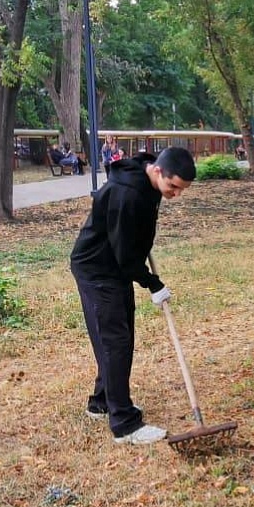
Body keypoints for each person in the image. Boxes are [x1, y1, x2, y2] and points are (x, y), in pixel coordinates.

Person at [70, 147, 197, 445]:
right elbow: (125, 255)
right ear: (156, 172)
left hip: (115, 267)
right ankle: (124, 424)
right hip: (99, 269)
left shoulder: (147, 176)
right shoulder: (127, 195)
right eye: (173, 187)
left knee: (117, 337)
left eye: (182, 189)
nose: (176, 194)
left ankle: (102, 401)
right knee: (116, 341)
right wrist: (153, 283)